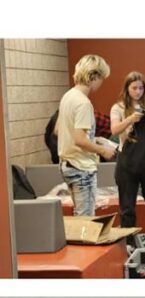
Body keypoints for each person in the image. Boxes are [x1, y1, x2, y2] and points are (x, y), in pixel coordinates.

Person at [58, 54, 115, 216]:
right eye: (102, 78)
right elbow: (79, 140)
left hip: (67, 164)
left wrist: (92, 138)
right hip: (81, 167)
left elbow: (60, 130)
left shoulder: (67, 96)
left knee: (80, 217)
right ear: (93, 76)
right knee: (86, 220)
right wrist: (103, 150)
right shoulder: (83, 103)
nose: (101, 83)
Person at [110, 71, 145, 232]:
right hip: (127, 159)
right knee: (127, 207)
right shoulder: (118, 107)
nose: (138, 92)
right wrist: (129, 119)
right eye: (134, 88)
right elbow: (114, 129)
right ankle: (129, 243)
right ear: (127, 89)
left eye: (141, 88)